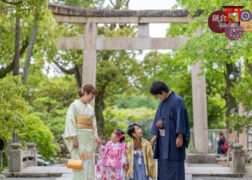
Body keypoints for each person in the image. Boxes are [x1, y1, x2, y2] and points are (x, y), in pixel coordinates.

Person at [149, 81, 190, 180]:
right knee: (163, 171)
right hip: (163, 143)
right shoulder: (162, 103)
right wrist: (154, 138)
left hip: (174, 142)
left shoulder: (177, 100)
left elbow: (181, 119)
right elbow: (158, 120)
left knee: (175, 170)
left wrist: (180, 137)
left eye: (158, 95)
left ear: (163, 91)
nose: (158, 97)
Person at [63, 84, 100, 180]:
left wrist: (96, 136)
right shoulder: (74, 105)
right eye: (92, 96)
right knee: (78, 163)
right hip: (78, 138)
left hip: (89, 141)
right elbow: (70, 121)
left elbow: (93, 123)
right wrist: (74, 137)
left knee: (89, 163)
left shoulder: (90, 108)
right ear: (86, 93)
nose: (92, 99)